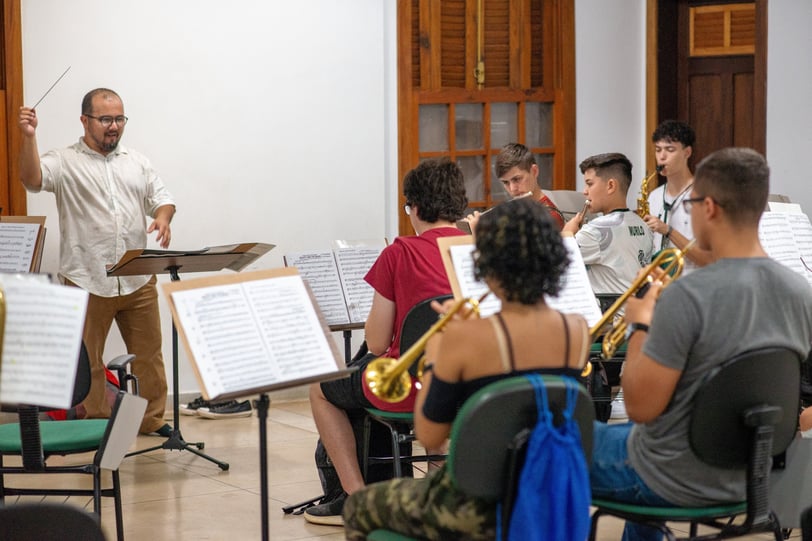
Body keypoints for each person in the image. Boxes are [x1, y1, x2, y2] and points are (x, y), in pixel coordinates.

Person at [590, 147, 812, 541]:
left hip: (672, 477)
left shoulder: (686, 296)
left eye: (690, 203)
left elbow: (640, 408)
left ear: (708, 208)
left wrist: (641, 325)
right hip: (755, 476)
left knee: (551, 440)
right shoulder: (802, 293)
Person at [343, 197, 591, 540]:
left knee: (359, 507)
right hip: (546, 493)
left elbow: (430, 435)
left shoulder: (463, 337)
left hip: (473, 505)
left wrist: (439, 350)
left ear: (486, 262)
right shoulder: (576, 330)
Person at [306, 159, 468, 525]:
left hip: (407, 387)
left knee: (319, 388)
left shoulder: (400, 251)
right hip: (469, 383)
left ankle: (356, 496)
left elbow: (377, 344)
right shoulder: (480, 251)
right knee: (436, 381)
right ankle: (442, 494)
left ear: (416, 207)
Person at [18, 88, 176, 436]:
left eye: (119, 118)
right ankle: (95, 425)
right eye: (106, 119)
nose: (114, 126)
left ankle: (152, 422)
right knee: (89, 362)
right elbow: (31, 180)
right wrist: (29, 137)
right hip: (86, 278)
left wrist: (163, 218)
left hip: (137, 278)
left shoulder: (136, 161)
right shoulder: (63, 160)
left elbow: (162, 199)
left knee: (149, 357)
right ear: (85, 120)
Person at [562, 153, 653, 298]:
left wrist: (566, 234)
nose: (585, 191)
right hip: (638, 314)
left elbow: (552, 262)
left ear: (611, 186)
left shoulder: (596, 231)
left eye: (590, 183)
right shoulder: (644, 226)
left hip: (609, 318)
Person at [643, 120, 713, 270]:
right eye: (658, 149)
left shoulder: (703, 196)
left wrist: (668, 231)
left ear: (687, 152)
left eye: (670, 149)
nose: (662, 157)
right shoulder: (654, 197)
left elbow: (708, 258)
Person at [466, 142, 565, 233]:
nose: (512, 189)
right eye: (505, 182)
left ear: (534, 171)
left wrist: (478, 234)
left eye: (517, 179)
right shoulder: (512, 212)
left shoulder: (550, 216)